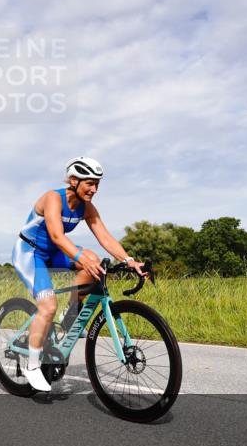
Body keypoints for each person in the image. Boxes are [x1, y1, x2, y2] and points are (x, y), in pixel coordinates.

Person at [11, 157, 146, 391]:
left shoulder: (87, 207)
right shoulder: (53, 198)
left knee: (93, 261)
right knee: (48, 305)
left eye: (97, 184)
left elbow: (104, 236)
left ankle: (70, 315)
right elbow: (56, 236)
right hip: (30, 253)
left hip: (53, 252)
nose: (94, 189)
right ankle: (33, 365)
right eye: (90, 183)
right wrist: (80, 257)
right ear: (74, 180)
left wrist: (129, 260)